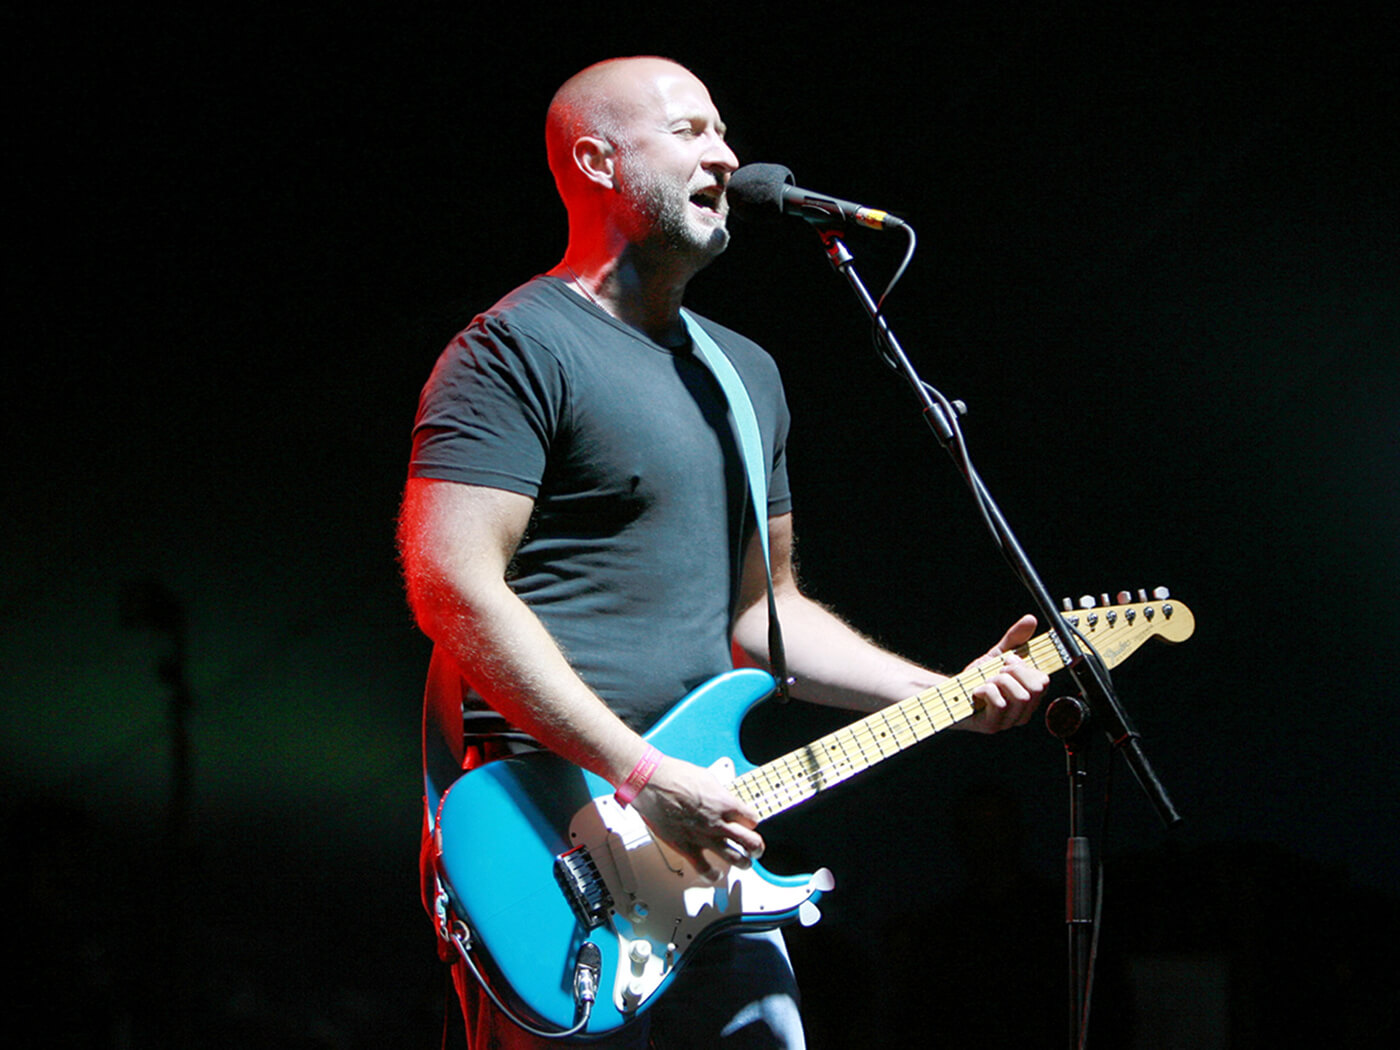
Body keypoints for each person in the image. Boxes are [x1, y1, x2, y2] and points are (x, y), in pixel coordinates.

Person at [398, 55, 1049, 1050]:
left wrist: (948, 692)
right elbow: (451, 587)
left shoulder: (743, 375)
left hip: (706, 846)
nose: (727, 155)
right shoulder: (512, 349)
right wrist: (638, 773)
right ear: (597, 158)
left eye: (722, 131)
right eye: (691, 131)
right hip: (554, 839)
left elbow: (763, 617)